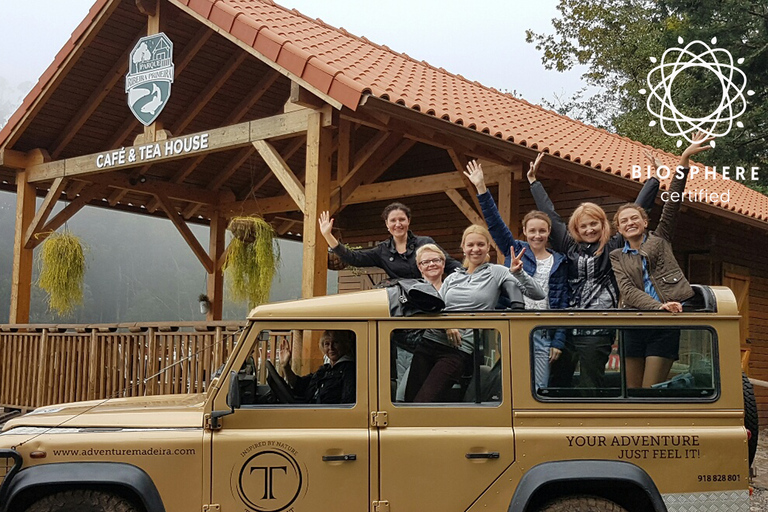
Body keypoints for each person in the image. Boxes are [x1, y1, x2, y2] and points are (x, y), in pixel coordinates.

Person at [528, 153, 660, 389]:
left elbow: (636, 209)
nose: (589, 229)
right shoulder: (569, 245)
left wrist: (653, 180)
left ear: (603, 224)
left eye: (593, 224)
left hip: (599, 326)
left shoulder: (614, 245)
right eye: (583, 226)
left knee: (590, 383)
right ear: (576, 228)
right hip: (567, 326)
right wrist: (534, 182)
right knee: (557, 383)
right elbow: (551, 215)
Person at [610, 132, 712, 388]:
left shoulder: (661, 237)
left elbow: (673, 203)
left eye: (635, 218)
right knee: (632, 392)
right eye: (624, 221)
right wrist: (657, 306)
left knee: (650, 391)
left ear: (645, 222)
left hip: (665, 323)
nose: (630, 223)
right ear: (619, 229)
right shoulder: (617, 255)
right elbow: (628, 291)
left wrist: (684, 161)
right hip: (634, 323)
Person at [405, 224, 545, 402]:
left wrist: (519, 273)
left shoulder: (497, 272)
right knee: (407, 403)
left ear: (488, 247)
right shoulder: (453, 277)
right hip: (430, 341)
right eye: (470, 245)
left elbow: (538, 294)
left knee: (424, 401)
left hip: (458, 349)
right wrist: (446, 325)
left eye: (480, 244)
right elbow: (436, 306)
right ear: (463, 248)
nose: (475, 249)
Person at [464, 158, 568, 390]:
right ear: (524, 231)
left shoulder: (559, 261)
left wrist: (558, 340)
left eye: (542, 230)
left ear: (549, 231)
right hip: (514, 325)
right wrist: (481, 187)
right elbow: (494, 223)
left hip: (543, 330)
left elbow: (562, 302)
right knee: (512, 386)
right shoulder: (515, 250)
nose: (537, 235)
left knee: (539, 387)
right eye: (532, 231)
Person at [318, 203, 461, 280]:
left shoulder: (425, 243)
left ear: (408, 221)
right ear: (387, 224)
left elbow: (449, 264)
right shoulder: (382, 250)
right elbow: (354, 258)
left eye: (402, 219)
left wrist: (470, 277)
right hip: (400, 303)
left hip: (429, 297)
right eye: (393, 220)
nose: (398, 224)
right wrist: (328, 235)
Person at [393, 243, 448, 401]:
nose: (431, 264)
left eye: (436, 260)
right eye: (425, 262)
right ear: (419, 267)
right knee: (405, 396)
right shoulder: (410, 290)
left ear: (443, 263)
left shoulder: (453, 289)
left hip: (444, 352)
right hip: (410, 351)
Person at [278, 330, 355, 404]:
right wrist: (285, 366)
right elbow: (299, 385)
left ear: (344, 345)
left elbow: (347, 402)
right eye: (327, 344)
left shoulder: (349, 369)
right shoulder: (325, 369)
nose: (331, 347)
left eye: (335, 343)